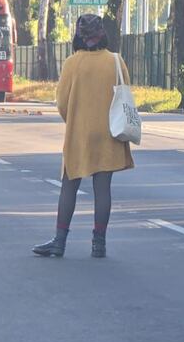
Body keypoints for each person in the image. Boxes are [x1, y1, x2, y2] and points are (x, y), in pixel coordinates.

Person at [33, 15, 134, 258]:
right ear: (103, 34)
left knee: (69, 185)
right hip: (110, 132)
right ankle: (99, 244)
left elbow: (62, 103)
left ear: (79, 36)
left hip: (79, 133)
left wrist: (76, 120)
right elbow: (126, 95)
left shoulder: (72, 63)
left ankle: (59, 242)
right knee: (103, 190)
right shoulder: (115, 61)